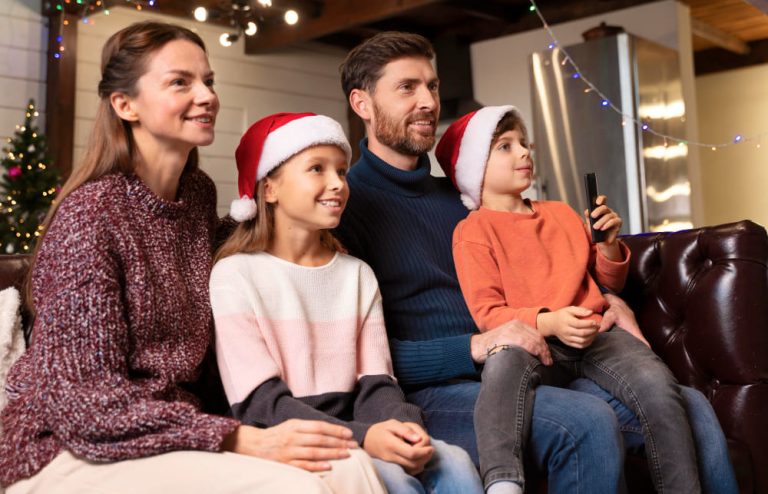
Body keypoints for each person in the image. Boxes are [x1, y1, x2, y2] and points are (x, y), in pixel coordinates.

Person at [334, 31, 739, 494]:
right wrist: (477, 344)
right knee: (584, 421)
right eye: (407, 87)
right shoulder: (347, 208)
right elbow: (360, 355)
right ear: (362, 103)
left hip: (534, 362)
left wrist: (606, 297)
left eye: (433, 86)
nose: (428, 101)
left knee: (690, 406)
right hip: (437, 389)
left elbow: (537, 260)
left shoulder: (467, 198)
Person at [0, 22, 385, 494]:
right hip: (66, 446)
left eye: (208, 81)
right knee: (298, 487)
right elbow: (86, 404)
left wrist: (305, 212)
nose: (206, 95)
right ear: (125, 105)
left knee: (349, 465)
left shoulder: (197, 196)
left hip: (173, 430)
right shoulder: (90, 215)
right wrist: (236, 437)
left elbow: (249, 244)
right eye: (180, 82)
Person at [436, 104, 710, 493]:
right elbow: (489, 315)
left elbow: (606, 279)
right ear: (474, 167)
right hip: (536, 342)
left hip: (597, 335)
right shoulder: (473, 232)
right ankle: (502, 481)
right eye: (505, 147)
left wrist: (610, 246)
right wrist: (549, 322)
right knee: (501, 366)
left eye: (524, 144)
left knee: (658, 385)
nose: (524, 153)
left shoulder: (561, 213)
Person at [210, 111, 483, 494]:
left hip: (359, 431)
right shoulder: (235, 275)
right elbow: (261, 404)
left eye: (341, 171)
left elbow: (377, 381)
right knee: (392, 481)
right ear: (269, 188)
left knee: (453, 462)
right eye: (317, 169)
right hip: (285, 439)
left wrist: (402, 427)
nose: (337, 183)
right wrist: (364, 437)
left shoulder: (356, 273)